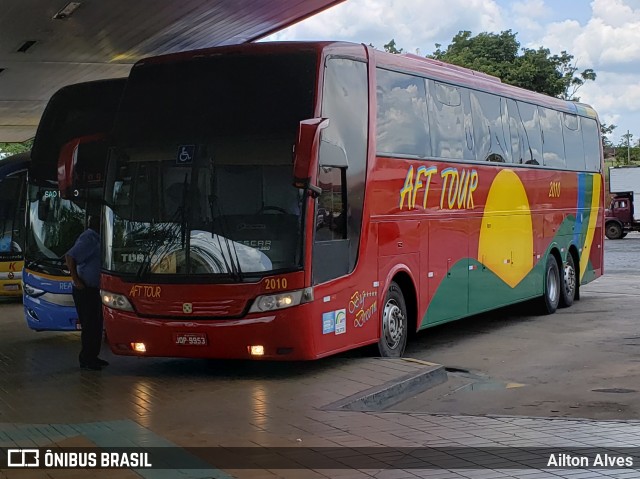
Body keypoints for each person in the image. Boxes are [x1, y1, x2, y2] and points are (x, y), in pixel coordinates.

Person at [65, 215, 108, 371]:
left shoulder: (98, 238)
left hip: (95, 289)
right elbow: (70, 257)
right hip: (85, 289)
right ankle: (86, 359)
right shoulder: (89, 238)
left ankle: (93, 356)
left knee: (96, 324)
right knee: (89, 325)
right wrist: (77, 281)